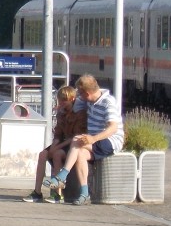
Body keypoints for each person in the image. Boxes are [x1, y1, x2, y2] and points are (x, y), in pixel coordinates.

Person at [43, 74, 125, 205]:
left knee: (76, 139)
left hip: (110, 140)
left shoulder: (107, 102)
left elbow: (113, 128)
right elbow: (73, 105)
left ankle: (62, 176)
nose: (79, 96)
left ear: (87, 93)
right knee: (80, 153)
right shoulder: (85, 100)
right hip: (95, 140)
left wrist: (93, 138)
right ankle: (84, 193)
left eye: (80, 93)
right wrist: (62, 107)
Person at [22, 85, 86, 203]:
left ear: (72, 99)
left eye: (64, 101)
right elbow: (58, 133)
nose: (61, 103)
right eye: (60, 100)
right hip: (62, 141)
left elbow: (75, 137)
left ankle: (58, 194)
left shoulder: (79, 114)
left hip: (72, 144)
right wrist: (54, 145)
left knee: (57, 155)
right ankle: (37, 192)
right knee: (42, 154)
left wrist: (57, 147)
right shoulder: (61, 113)